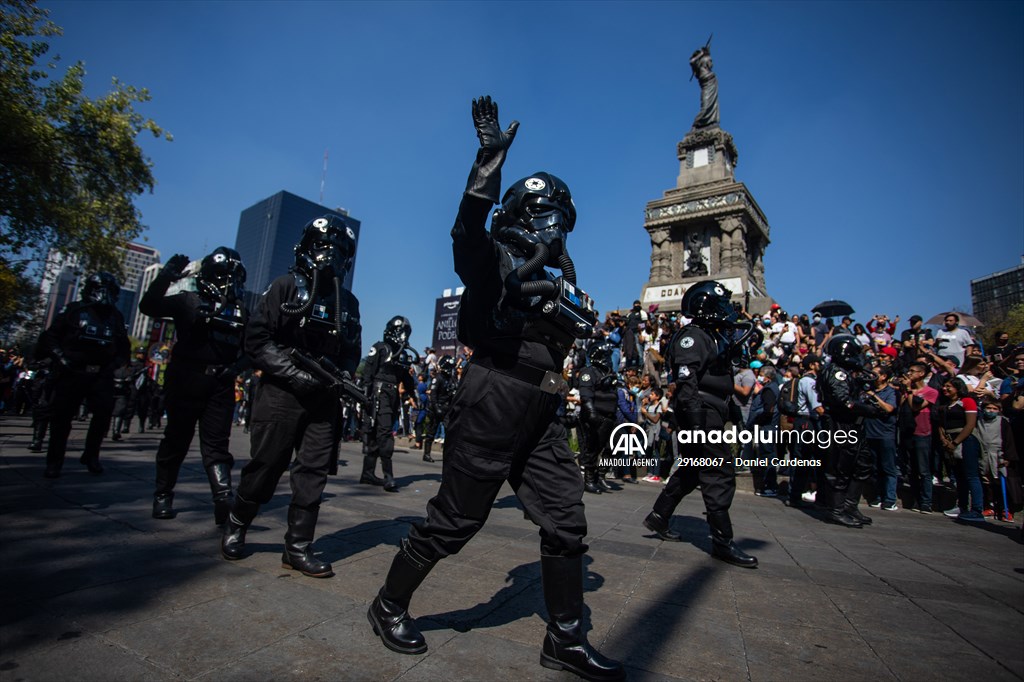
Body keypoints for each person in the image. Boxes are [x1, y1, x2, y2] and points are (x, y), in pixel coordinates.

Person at [367, 96, 623, 681]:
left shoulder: (564, 278)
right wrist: (486, 166)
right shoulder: (496, 259)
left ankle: (565, 639)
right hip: (494, 396)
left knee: (566, 520)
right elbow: (466, 236)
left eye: (559, 213)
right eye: (542, 211)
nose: (552, 224)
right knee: (455, 520)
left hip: (545, 406)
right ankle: (388, 603)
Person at [221, 215, 361, 578]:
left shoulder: (349, 302)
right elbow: (256, 340)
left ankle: (297, 546)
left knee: (313, 472)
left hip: (323, 399)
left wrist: (342, 375)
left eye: (339, 250)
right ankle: (238, 521)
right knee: (266, 466)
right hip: (282, 392)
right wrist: (295, 375)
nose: (329, 256)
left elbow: (351, 351)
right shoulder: (285, 287)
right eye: (321, 246)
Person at [642, 280, 760, 569]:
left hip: (710, 412)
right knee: (718, 473)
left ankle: (659, 516)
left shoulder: (711, 336)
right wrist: (696, 424)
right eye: (720, 305)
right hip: (701, 414)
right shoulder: (692, 337)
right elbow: (687, 383)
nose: (726, 311)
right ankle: (723, 541)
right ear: (706, 307)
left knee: (694, 470)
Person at [139, 247, 249, 523]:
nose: (230, 283)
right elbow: (148, 307)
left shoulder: (240, 311)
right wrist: (165, 278)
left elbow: (252, 348)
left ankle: (223, 497)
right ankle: (163, 493)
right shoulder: (187, 300)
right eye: (225, 276)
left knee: (216, 445)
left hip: (220, 383)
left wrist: (236, 368)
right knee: (177, 439)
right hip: (187, 378)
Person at [36, 272, 130, 478]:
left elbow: (124, 348)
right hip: (72, 372)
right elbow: (50, 338)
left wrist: (112, 366)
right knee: (61, 417)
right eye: (99, 289)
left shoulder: (115, 317)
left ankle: (91, 454)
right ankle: (55, 461)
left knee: (103, 414)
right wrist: (61, 358)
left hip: (100, 374)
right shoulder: (74, 311)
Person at [818, 334, 885, 528]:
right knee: (840, 466)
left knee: (862, 464)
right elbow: (843, 402)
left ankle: (849, 505)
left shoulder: (846, 372)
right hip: (840, 424)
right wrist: (869, 409)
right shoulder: (836, 371)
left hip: (854, 425)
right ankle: (836, 510)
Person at [360, 316, 418, 492]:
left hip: (392, 397)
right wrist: (364, 398)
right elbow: (367, 374)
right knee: (382, 434)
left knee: (381, 432)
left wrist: (412, 394)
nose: (404, 337)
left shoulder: (402, 354)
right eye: (402, 332)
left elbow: (407, 380)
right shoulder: (380, 348)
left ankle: (367, 474)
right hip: (379, 395)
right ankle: (388, 476)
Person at [577, 341, 619, 494]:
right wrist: (592, 414)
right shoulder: (589, 372)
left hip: (609, 416)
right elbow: (586, 396)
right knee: (592, 449)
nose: (608, 358)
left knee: (611, 446)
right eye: (605, 355)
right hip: (596, 417)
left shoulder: (608, 373)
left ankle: (599, 476)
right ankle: (588, 480)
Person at [420, 355, 457, 463]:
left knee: (449, 432)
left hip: (447, 409)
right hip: (436, 408)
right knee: (431, 432)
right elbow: (433, 395)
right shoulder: (438, 378)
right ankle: (426, 454)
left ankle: (448, 455)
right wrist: (436, 408)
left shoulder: (451, 379)